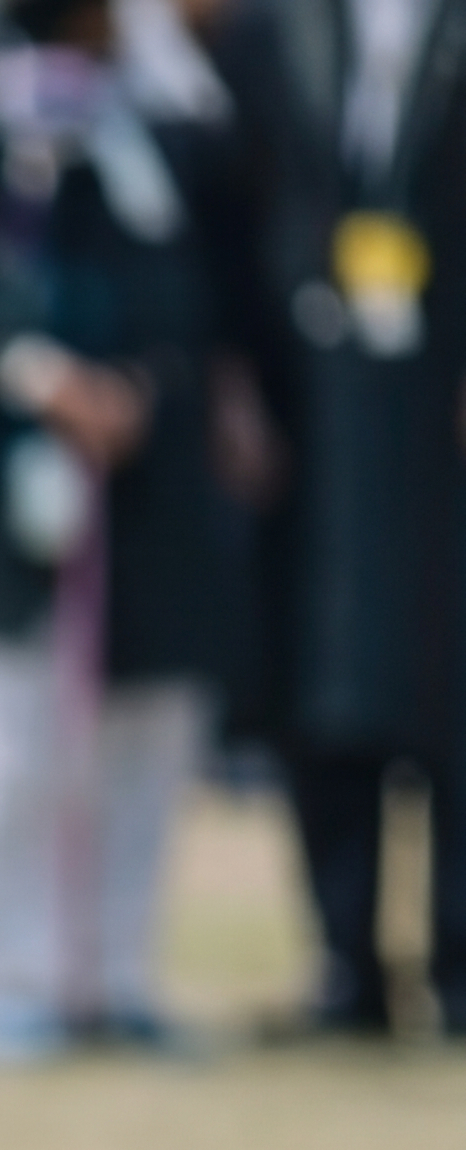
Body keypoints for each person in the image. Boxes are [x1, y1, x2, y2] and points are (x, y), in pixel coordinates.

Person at [0, 0, 228, 1053]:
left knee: (145, 734)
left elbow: (197, 285)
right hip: (3, 477)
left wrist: (140, 387)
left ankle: (111, 974)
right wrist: (37, 373)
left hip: (145, 475)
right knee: (6, 737)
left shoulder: (167, 112)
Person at [265, 0, 465, 1030]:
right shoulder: (288, 24)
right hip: (320, 410)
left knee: (454, 685)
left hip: (446, 404)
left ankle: (457, 968)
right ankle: (346, 968)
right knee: (329, 688)